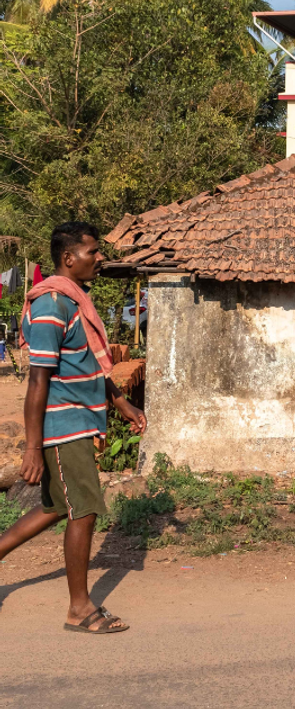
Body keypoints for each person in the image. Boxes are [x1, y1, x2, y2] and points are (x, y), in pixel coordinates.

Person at [0, 222, 146, 634]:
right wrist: (32, 448)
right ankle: (79, 609)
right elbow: (38, 380)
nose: (99, 258)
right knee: (83, 511)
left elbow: (89, 366)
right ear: (69, 258)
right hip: (63, 426)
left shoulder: (74, 301)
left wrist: (122, 404)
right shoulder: (52, 305)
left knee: (54, 508)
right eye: (92, 252)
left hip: (79, 419)